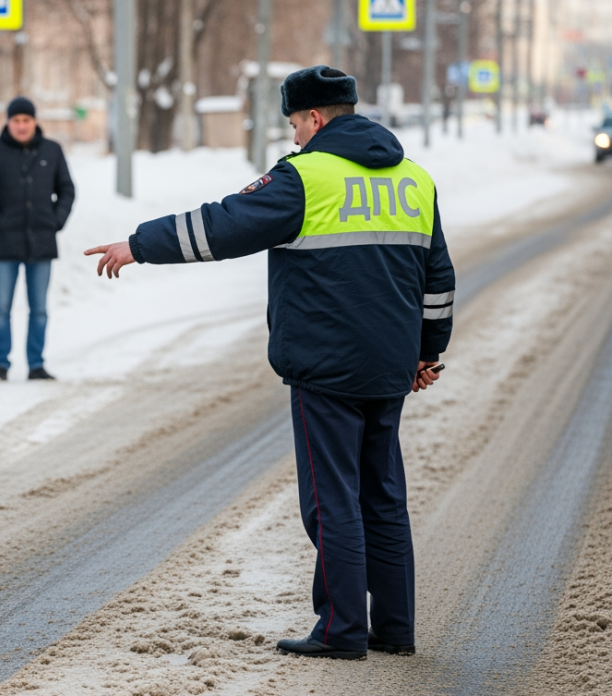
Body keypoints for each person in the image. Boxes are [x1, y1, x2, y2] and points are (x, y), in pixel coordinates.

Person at [86, 66, 455, 659]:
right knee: (381, 496)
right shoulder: (415, 179)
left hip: (326, 368)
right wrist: (426, 351)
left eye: (294, 125)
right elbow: (438, 278)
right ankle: (394, 627)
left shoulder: (305, 176)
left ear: (312, 117)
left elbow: (224, 224)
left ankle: (340, 630)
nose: (294, 138)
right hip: (389, 366)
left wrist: (140, 244)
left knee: (331, 499)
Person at [0, 97, 75, 382]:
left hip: (41, 243)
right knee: (1, 309)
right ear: (8, 122)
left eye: (26, 120)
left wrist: (56, 220)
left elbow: (67, 189)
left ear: (34, 122)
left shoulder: (52, 150)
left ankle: (36, 363)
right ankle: (1, 364)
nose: (21, 126)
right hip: (4, 245)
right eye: (16, 120)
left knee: (39, 309)